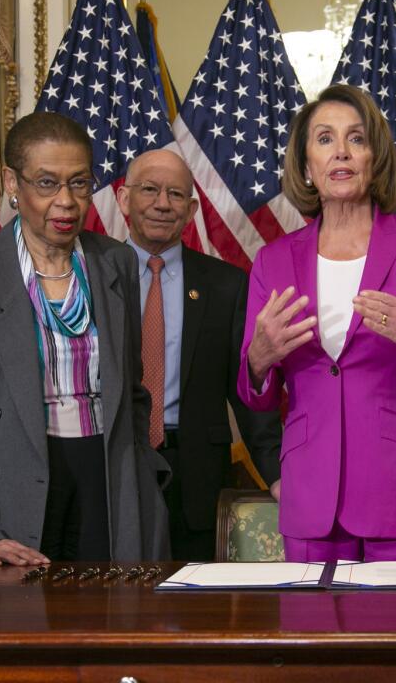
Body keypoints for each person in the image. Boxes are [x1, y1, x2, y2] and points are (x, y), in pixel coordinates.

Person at [238, 84, 396, 563]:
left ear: (375, 157)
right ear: (306, 164)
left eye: (357, 138)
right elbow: (257, 395)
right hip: (313, 502)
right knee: (316, 639)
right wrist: (257, 361)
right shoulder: (272, 262)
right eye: (325, 139)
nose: (342, 152)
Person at [0, 112, 168, 566]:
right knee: (26, 628)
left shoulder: (115, 263)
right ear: (11, 184)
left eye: (79, 183)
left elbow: (133, 391)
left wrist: (143, 475)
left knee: (112, 623)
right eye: (46, 183)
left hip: (109, 482)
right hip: (14, 491)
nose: (66, 202)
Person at [115, 149, 281, 561]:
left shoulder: (226, 285)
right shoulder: (92, 274)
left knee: (195, 610)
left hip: (197, 478)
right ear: (123, 199)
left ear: (190, 210)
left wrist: (279, 475)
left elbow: (246, 392)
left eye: (175, 194)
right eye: (149, 189)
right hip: (113, 469)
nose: (161, 203)